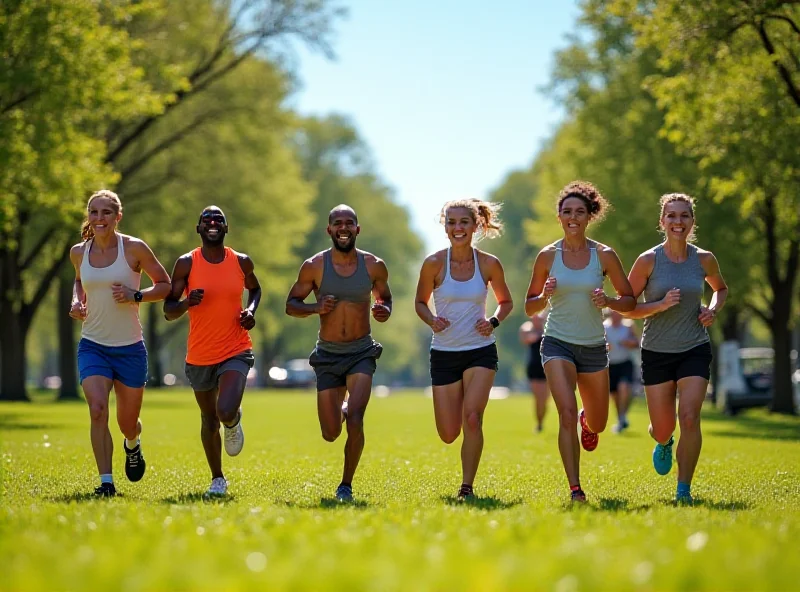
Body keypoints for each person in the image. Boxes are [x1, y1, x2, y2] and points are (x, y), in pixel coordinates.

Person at [524, 181, 635, 503]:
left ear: (590, 217)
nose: (573, 217)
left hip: (594, 346)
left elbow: (629, 300)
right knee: (566, 412)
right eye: (567, 211)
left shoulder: (604, 255)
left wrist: (609, 302)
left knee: (598, 422)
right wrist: (543, 295)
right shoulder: (547, 256)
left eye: (580, 212)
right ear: (559, 216)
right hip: (557, 342)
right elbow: (530, 306)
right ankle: (575, 488)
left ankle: (590, 422)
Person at [623, 193, 727, 504]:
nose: (677, 222)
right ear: (662, 221)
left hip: (694, 346)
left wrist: (712, 309)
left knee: (691, 416)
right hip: (656, 350)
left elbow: (720, 289)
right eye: (671, 216)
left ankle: (684, 489)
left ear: (692, 222)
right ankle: (664, 441)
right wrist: (659, 304)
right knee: (664, 426)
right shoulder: (648, 260)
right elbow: (627, 307)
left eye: (684, 216)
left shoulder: (704, 259)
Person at [285, 204, 392, 503]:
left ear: (358, 229)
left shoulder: (374, 265)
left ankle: (346, 484)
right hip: (328, 355)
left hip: (361, 352)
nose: (343, 228)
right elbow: (291, 304)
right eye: (337, 223)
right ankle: (341, 410)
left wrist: (384, 310)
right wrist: (315, 307)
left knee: (356, 419)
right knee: (330, 433)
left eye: (349, 223)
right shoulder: (314, 266)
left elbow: (385, 297)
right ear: (329, 230)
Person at [68, 189, 171, 497]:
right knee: (98, 409)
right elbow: (78, 280)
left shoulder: (134, 249)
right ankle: (106, 483)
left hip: (129, 348)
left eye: (106, 213)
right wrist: (77, 301)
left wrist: (135, 295)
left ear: (117, 217)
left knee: (128, 422)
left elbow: (164, 285)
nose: (100, 218)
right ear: (89, 216)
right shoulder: (78, 252)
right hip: (93, 345)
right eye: (94, 212)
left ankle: (132, 443)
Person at [415, 198, 513, 501]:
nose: (458, 228)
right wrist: (432, 319)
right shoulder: (433, 263)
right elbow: (419, 302)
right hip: (444, 352)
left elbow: (506, 301)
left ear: (476, 226)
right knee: (448, 433)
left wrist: (493, 321)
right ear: (445, 227)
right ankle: (456, 411)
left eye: (464, 222)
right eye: (452, 222)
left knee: (472, 418)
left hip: (479, 350)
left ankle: (467, 487)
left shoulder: (488, 264)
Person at [163, 206, 261, 498]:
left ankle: (232, 419)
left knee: (224, 410)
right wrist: (185, 303)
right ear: (199, 229)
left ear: (226, 229)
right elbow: (168, 310)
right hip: (200, 354)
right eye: (207, 221)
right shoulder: (186, 264)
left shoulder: (241, 262)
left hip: (236, 347)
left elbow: (255, 290)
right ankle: (217, 478)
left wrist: (250, 310)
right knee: (208, 420)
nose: (213, 224)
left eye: (219, 220)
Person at [604, 310, 639, 433]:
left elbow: (637, 342)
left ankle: (622, 416)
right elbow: (599, 344)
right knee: (615, 395)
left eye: (618, 313)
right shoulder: (604, 327)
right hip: (610, 365)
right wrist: (606, 346)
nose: (616, 316)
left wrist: (629, 343)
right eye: (613, 313)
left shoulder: (628, 326)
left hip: (625, 363)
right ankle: (621, 418)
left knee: (623, 387)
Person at [519, 313, 548, 433]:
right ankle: (539, 423)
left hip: (547, 367)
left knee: (545, 398)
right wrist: (537, 333)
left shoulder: (548, 330)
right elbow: (525, 337)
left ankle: (541, 420)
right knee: (538, 398)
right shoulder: (528, 328)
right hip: (534, 367)